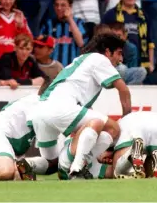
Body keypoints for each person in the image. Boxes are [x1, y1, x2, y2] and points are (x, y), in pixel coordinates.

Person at [29, 33, 131, 179]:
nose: (121, 59)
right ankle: (72, 164)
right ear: (107, 52)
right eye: (119, 53)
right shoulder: (99, 59)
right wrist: (127, 119)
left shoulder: (81, 61)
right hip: (62, 108)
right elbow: (123, 89)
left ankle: (22, 164)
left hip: (41, 111)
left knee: (51, 162)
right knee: (112, 128)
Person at [102, 0, 153, 70]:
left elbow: (150, 43)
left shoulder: (143, 16)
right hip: (117, 63)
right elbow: (102, 41)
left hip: (140, 63)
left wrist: (151, 63)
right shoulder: (110, 15)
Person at [111, 111, 157, 179]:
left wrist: (108, 153)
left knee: (117, 173)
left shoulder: (116, 126)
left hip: (130, 125)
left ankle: (131, 152)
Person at [40, 0, 87, 67]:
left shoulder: (78, 23)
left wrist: (70, 20)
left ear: (70, 7)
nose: (59, 8)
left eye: (63, 5)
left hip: (72, 69)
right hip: (52, 69)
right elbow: (41, 47)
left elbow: (81, 43)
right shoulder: (48, 24)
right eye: (56, 5)